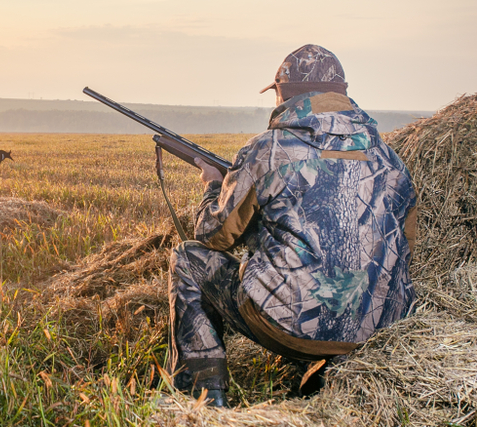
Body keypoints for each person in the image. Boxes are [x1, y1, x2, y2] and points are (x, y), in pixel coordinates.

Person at [167, 44, 417, 407]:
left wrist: (213, 187)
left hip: (292, 326)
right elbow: (406, 251)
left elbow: (212, 234)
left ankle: (203, 399)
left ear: (285, 95)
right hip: (376, 331)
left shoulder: (268, 149)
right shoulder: (390, 159)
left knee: (187, 259)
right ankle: (331, 371)